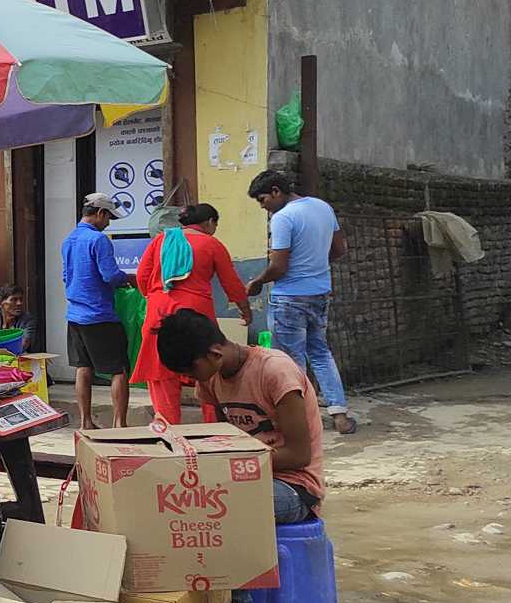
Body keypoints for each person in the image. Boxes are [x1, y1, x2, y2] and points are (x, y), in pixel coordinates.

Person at [156, 309, 323, 603]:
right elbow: (222, 439)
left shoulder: (276, 373)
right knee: (175, 500)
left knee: (223, 508)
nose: (190, 380)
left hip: (295, 486)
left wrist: (232, 468)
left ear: (214, 354)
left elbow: (299, 454)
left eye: (190, 370)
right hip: (244, 479)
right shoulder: (211, 380)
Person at [245, 171, 356, 434]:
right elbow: (340, 250)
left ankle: (301, 420)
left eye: (263, 200)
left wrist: (258, 282)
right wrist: (315, 265)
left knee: (290, 360)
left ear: (276, 191)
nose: (263, 207)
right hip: (319, 293)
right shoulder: (322, 207)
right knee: (320, 352)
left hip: (289, 297)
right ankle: (339, 414)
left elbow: (279, 267)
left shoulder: (282, 218)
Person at [133, 204, 254, 424]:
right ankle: (211, 430)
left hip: (159, 311)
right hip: (197, 314)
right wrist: (245, 311)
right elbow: (232, 283)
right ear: (209, 222)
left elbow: (142, 276)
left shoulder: (160, 240)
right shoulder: (212, 244)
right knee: (208, 371)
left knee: (162, 375)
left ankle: (168, 434)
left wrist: (155, 297)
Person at [61, 192, 133, 429]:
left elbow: (66, 276)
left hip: (75, 316)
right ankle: (119, 424)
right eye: (109, 217)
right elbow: (110, 276)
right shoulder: (99, 240)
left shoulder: (69, 239)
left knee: (83, 367)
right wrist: (131, 278)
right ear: (100, 213)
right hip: (100, 315)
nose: (109, 223)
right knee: (119, 369)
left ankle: (85, 422)